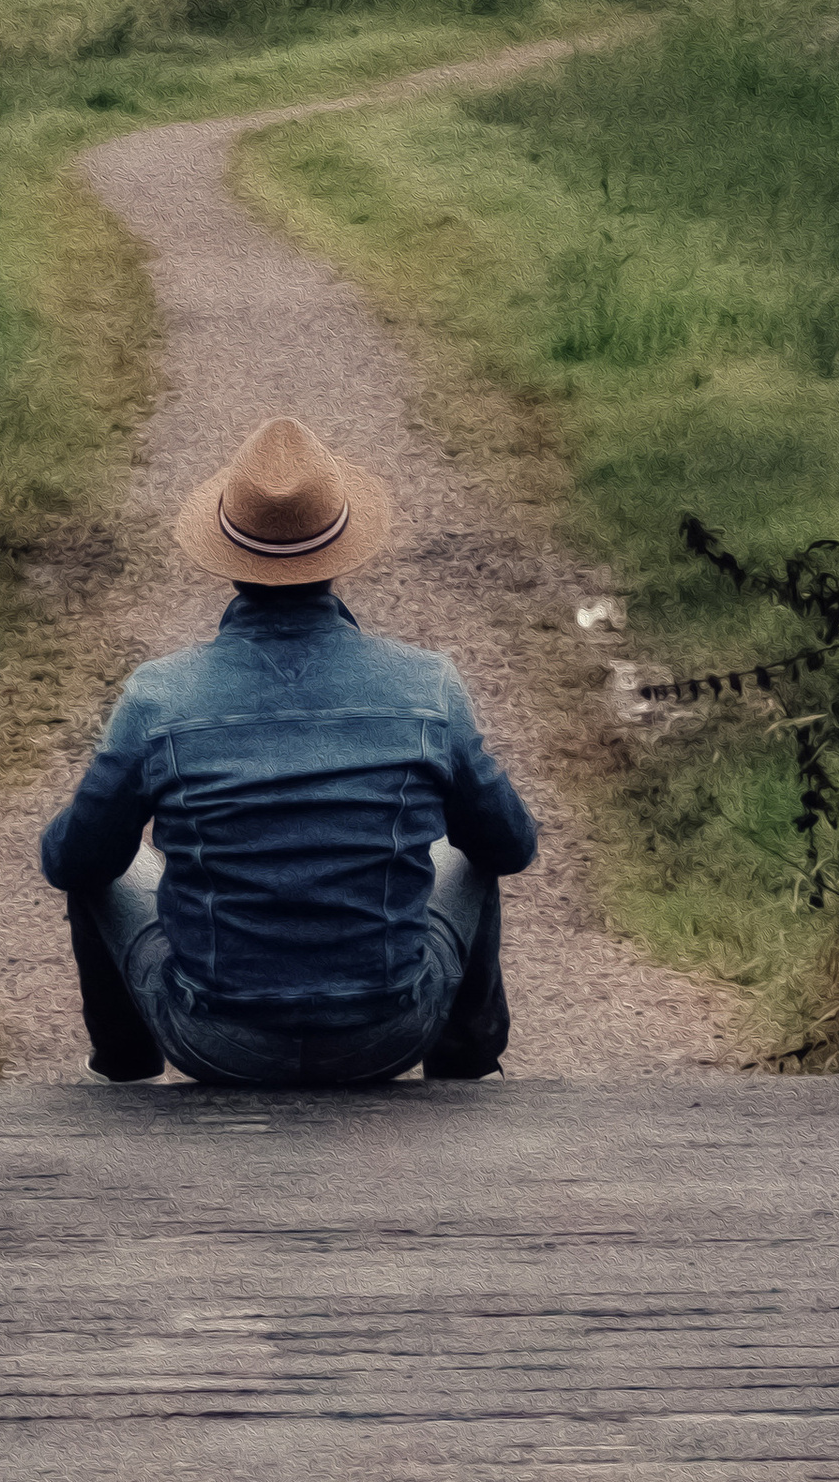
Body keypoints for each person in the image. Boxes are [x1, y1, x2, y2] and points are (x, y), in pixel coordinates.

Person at [40, 413, 538, 1088]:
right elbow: (511, 847)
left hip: (216, 1043)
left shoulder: (159, 697)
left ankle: (126, 1068)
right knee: (470, 850)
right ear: (340, 554)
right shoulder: (429, 686)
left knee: (107, 870)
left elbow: (72, 862)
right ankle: (465, 1059)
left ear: (228, 555)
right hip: (390, 1036)